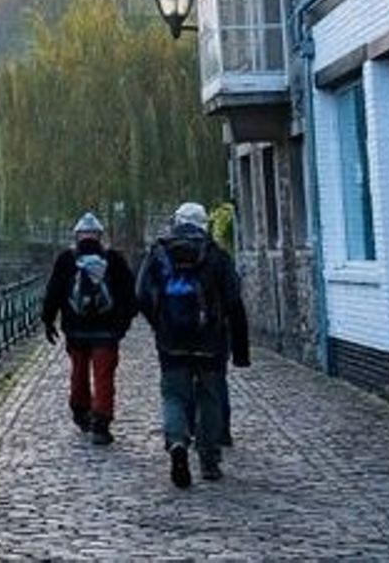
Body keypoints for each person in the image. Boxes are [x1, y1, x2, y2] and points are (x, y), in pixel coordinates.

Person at [138, 201, 249, 488]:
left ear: (176, 222)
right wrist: (240, 349)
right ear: (204, 224)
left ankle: (177, 442)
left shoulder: (159, 253)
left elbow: (141, 294)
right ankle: (209, 460)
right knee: (209, 396)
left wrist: (158, 324)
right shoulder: (217, 255)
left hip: (171, 341)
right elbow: (234, 303)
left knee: (174, 395)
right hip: (211, 342)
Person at [40, 211, 136, 445]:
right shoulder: (114, 259)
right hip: (106, 332)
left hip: (76, 330)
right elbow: (129, 296)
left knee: (78, 372)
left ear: (77, 236)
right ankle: (101, 424)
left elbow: (53, 292)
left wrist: (48, 321)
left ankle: (81, 412)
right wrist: (122, 325)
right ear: (99, 236)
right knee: (104, 376)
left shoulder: (66, 259)